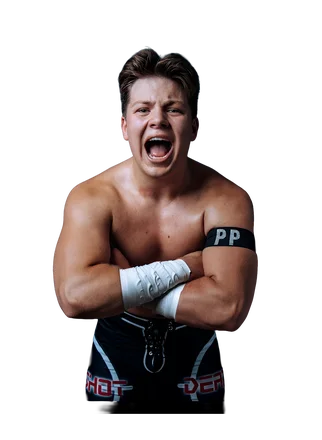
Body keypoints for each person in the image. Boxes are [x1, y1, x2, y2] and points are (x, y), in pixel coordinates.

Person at [51, 47, 259, 407]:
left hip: (198, 371)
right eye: (143, 109)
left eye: (173, 109)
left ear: (194, 126)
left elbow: (228, 310)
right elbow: (75, 298)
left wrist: (126, 284)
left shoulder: (227, 201)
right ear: (124, 127)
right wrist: (188, 267)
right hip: (112, 367)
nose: (158, 120)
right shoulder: (92, 198)